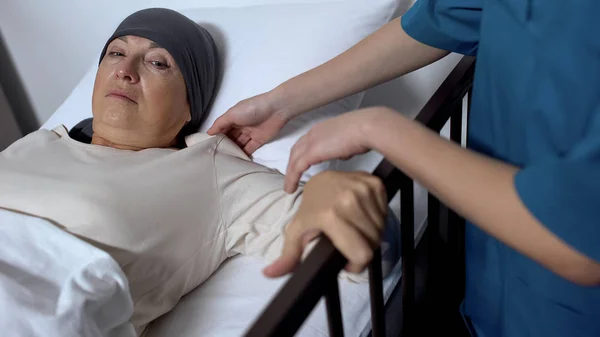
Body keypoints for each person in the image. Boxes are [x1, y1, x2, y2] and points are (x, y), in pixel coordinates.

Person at [208, 1, 600, 336]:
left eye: (161, 61)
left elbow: (581, 240)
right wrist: (280, 102)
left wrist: (380, 129)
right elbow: (442, 18)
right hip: (494, 286)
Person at [0, 8, 388, 336]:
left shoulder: (208, 169)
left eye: (157, 62)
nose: (125, 71)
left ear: (191, 106)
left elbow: (369, 246)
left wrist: (342, 203)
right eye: (116, 53)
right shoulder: (39, 143)